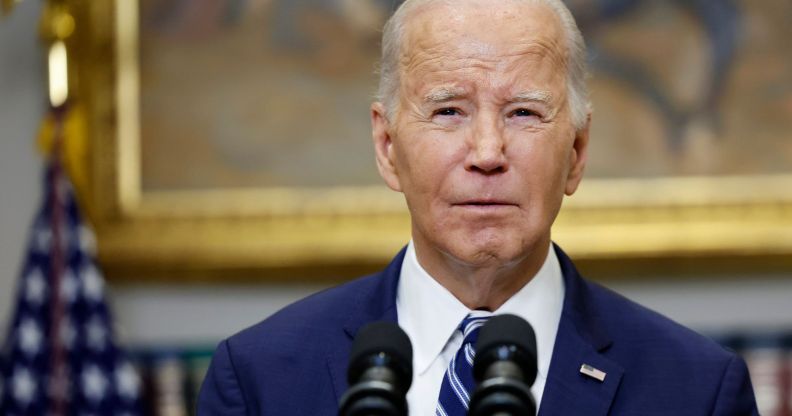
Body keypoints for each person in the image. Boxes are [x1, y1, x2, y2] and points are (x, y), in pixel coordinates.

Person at [197, 0, 758, 414]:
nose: (487, 153)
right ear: (387, 147)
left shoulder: (698, 389)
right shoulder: (259, 380)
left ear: (577, 152)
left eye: (523, 113)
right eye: (448, 112)